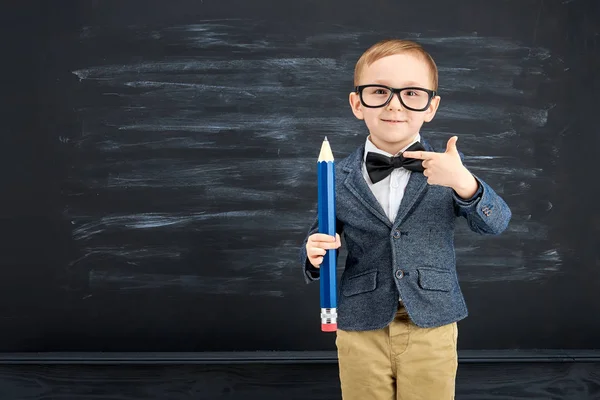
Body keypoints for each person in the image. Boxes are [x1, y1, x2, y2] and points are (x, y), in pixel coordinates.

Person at [300, 39, 511, 400]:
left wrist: (464, 183)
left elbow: (496, 222)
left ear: (431, 106)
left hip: (432, 320)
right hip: (360, 322)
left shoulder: (449, 168)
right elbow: (321, 240)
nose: (395, 104)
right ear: (357, 103)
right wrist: (314, 254)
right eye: (379, 91)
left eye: (412, 93)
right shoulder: (336, 176)